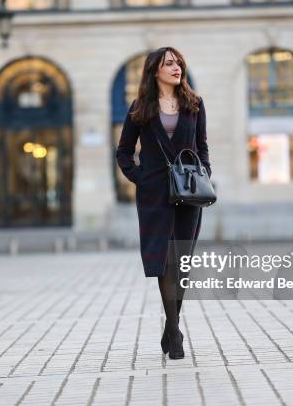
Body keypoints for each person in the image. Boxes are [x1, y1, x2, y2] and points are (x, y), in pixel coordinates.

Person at [115, 47, 212, 360]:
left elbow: (202, 146)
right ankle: (174, 331)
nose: (176, 68)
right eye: (169, 63)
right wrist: (140, 178)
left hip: (189, 193)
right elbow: (124, 152)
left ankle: (171, 325)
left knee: (180, 263)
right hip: (155, 195)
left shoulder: (194, 104)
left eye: (179, 63)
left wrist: (204, 173)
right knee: (163, 261)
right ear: (154, 70)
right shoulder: (139, 108)